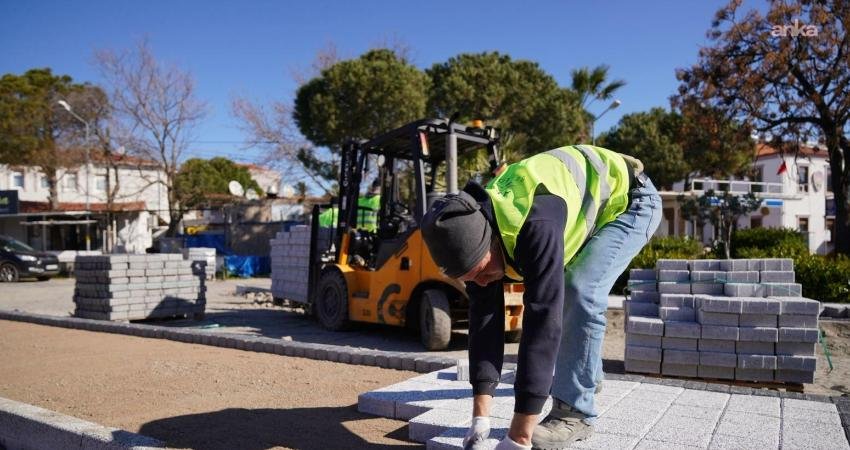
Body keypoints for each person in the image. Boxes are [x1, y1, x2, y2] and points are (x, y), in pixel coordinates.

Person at [421, 144, 661, 450]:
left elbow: (543, 324)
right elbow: (484, 325)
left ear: (491, 241)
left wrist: (519, 438)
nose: (480, 281)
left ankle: (575, 413)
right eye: (470, 278)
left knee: (579, 290)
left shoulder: (534, 225)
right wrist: (480, 418)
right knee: (565, 290)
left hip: (632, 200)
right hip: (585, 207)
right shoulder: (475, 237)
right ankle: (585, 376)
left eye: (481, 271)